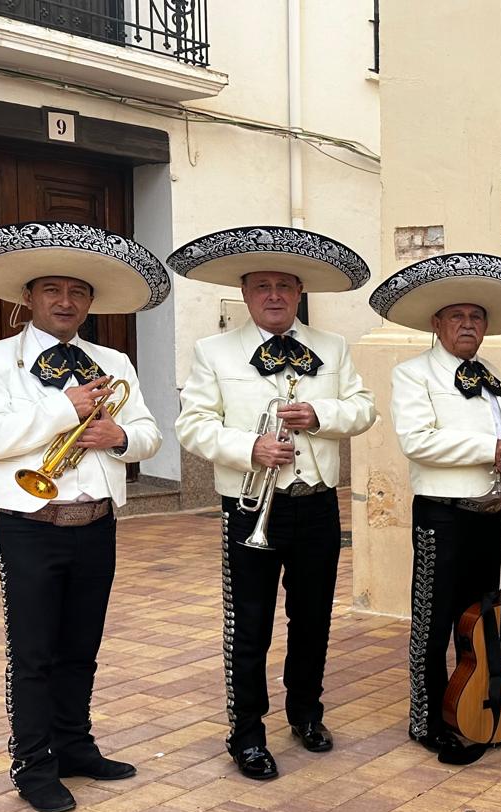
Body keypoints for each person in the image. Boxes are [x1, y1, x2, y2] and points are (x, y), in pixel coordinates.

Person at [0, 222, 168, 812]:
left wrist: (120, 436)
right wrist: (62, 406)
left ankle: (75, 746)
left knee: (82, 647)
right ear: (29, 299)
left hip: (97, 524)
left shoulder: (113, 359)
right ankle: (33, 762)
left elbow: (149, 436)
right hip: (30, 527)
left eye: (77, 291)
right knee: (34, 652)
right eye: (52, 290)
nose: (66, 301)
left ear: (90, 302)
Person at [172, 226, 378, 780]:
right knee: (251, 623)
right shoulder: (213, 351)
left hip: (316, 505)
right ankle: (246, 732)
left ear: (299, 292)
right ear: (244, 293)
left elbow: (363, 408)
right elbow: (192, 425)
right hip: (249, 506)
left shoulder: (331, 348)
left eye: (285, 285)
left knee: (312, 619)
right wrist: (248, 447)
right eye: (262, 286)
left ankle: (306, 713)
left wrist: (322, 416)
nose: (274, 295)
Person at [371, 252, 501, 755]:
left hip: (491, 517)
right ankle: (426, 722)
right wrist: (487, 450)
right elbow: (417, 440)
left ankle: (475, 704)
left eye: (476, 318)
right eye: (457, 317)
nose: (467, 326)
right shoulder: (414, 374)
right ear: (437, 324)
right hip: (442, 516)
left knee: (479, 621)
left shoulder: (491, 373)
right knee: (432, 622)